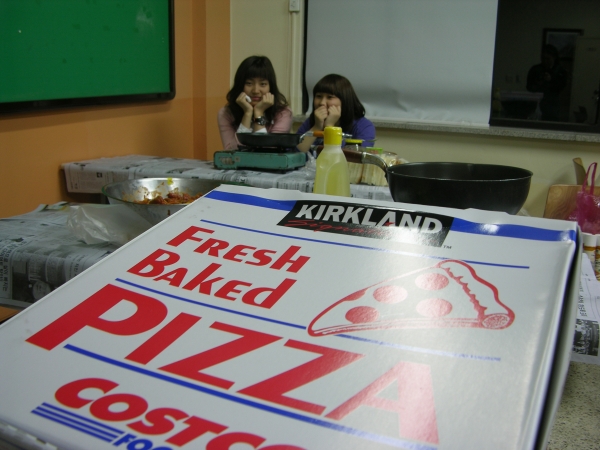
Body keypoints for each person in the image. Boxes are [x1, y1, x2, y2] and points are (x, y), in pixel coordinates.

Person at [218, 56, 292, 150]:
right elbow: (231, 151)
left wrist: (259, 113)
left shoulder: (283, 113)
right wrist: (247, 114)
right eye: (249, 83)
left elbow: (268, 151)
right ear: (240, 85)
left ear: (271, 87)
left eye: (262, 84)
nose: (256, 90)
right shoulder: (226, 113)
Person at [296, 74, 375, 154]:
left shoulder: (364, 126)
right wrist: (317, 127)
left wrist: (329, 127)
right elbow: (296, 152)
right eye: (318, 96)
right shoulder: (312, 121)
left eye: (330, 97)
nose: (322, 103)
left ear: (344, 100)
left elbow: (350, 157)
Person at [526, 44, 568, 122]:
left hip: (552, 105)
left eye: (548, 59)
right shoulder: (535, 69)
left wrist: (551, 80)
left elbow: (560, 87)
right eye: (543, 58)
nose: (545, 61)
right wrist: (539, 83)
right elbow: (529, 87)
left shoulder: (560, 71)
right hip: (535, 102)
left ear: (554, 57)